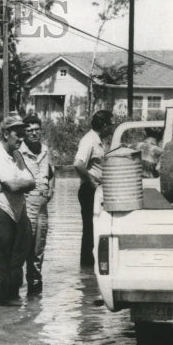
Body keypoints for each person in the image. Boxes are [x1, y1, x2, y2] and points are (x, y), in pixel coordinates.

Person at [0, 113, 36, 305]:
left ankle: (13, 308)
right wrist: (13, 184)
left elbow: (32, 182)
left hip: (16, 212)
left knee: (16, 264)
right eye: (18, 134)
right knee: (0, 265)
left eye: (23, 134)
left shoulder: (17, 155)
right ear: (6, 134)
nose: (22, 139)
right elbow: (14, 186)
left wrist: (13, 184)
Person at [19, 113, 55, 295]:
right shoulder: (18, 152)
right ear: (24, 133)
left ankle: (35, 289)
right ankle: (16, 290)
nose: (34, 133)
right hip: (25, 204)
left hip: (42, 204)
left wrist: (51, 189)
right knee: (24, 245)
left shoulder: (45, 150)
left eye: (37, 130)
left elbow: (51, 173)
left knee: (39, 247)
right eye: (30, 130)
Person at [73, 109, 114, 267]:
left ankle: (90, 271)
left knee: (96, 228)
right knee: (90, 231)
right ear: (103, 125)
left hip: (96, 190)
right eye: (110, 125)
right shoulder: (89, 140)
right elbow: (78, 164)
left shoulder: (98, 140)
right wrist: (91, 181)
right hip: (89, 190)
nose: (111, 128)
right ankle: (87, 267)